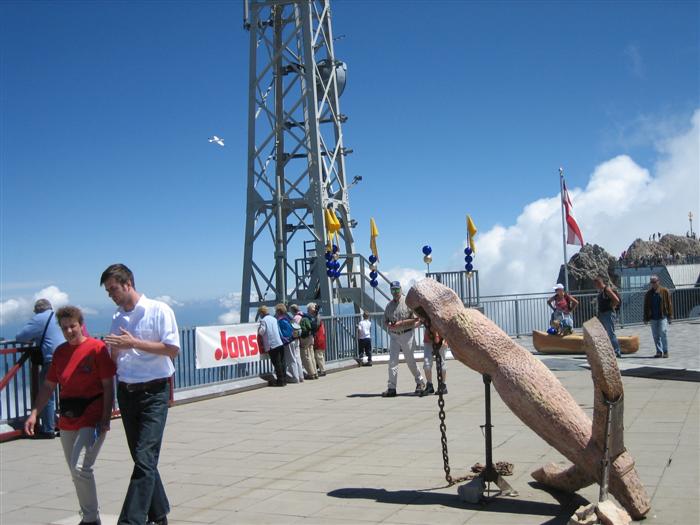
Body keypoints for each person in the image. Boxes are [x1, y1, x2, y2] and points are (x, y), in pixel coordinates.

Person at [100, 263, 179, 525]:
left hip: (154, 391)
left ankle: (130, 521)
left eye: (114, 289)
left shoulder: (159, 310)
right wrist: (114, 351)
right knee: (142, 459)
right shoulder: (117, 317)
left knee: (145, 457)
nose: (112, 294)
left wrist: (132, 343)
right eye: (108, 291)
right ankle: (159, 514)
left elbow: (171, 349)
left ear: (128, 283)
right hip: (127, 391)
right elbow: (117, 356)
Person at [24, 306, 115, 525]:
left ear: (80, 324)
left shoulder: (96, 348)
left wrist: (105, 416)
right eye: (64, 328)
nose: (69, 332)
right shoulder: (60, 352)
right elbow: (48, 386)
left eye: (72, 326)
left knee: (81, 467)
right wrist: (34, 413)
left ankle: (92, 518)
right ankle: (88, 513)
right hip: (68, 417)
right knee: (74, 471)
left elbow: (108, 385)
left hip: (92, 416)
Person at [16, 298, 66, 438]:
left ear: (37, 310)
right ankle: (67, 426)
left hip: (52, 359)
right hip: (67, 356)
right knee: (66, 393)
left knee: (47, 393)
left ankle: (48, 429)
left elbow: (20, 336)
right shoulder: (59, 316)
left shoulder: (39, 319)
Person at [382, 281, 425, 397]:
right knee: (392, 362)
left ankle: (420, 382)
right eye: (393, 290)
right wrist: (389, 324)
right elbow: (385, 320)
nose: (395, 292)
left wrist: (401, 323)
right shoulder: (389, 305)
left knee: (410, 360)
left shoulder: (407, 302)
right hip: (394, 335)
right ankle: (391, 387)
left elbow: (415, 319)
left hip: (407, 334)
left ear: (400, 289)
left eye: (397, 290)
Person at [643, 275, 673, 358]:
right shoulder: (648, 294)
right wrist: (645, 318)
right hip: (653, 317)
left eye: (654, 282)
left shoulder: (664, 291)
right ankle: (659, 351)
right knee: (655, 335)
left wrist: (670, 316)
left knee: (663, 332)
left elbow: (669, 304)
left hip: (662, 316)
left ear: (658, 282)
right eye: (651, 282)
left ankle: (665, 351)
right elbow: (646, 306)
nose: (653, 284)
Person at [594, 275, 622, 358]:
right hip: (602, 314)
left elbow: (616, 300)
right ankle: (606, 351)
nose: (595, 286)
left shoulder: (607, 290)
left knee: (610, 333)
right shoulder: (601, 291)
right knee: (602, 334)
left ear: (599, 283)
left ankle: (617, 351)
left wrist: (612, 307)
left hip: (608, 314)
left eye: (596, 284)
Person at [257, 305, 286, 386]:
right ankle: (284, 379)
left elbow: (261, 332)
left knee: (276, 363)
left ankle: (280, 381)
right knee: (282, 361)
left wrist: (259, 329)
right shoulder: (274, 318)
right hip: (279, 342)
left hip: (271, 344)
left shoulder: (263, 320)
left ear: (262, 313)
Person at [276, 303, 303, 383]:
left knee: (291, 359)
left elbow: (281, 332)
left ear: (279, 311)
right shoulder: (289, 317)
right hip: (295, 339)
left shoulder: (280, 320)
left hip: (288, 341)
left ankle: (294, 378)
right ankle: (300, 376)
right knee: (297, 358)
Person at [420, 326, 447, 396]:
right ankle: (429, 385)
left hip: (442, 339)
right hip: (428, 339)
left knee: (442, 365)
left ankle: (443, 385)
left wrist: (446, 338)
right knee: (427, 365)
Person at [298, 305, 317, 379]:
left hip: (305, 338)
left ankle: (311, 373)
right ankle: (315, 373)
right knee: (312, 356)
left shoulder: (304, 319)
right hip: (312, 337)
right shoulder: (313, 317)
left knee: (305, 356)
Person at [310, 303, 327, 377]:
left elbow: (315, 327)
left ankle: (322, 370)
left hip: (318, 339)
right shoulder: (319, 318)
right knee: (319, 355)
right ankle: (320, 369)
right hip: (321, 338)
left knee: (319, 355)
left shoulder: (317, 319)